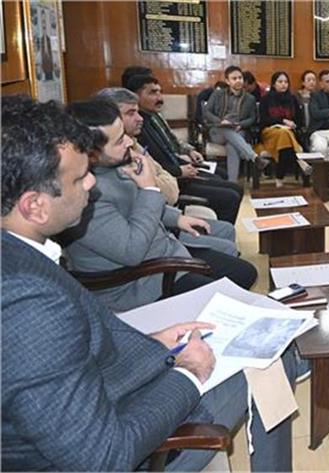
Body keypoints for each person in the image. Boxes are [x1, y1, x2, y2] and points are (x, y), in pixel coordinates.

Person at [1, 96, 294, 472]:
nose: (91, 181)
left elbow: (63, 368)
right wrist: (189, 373)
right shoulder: (26, 301)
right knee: (271, 358)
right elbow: (104, 456)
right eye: (78, 178)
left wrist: (156, 346)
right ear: (34, 206)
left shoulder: (19, 255)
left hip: (102, 391)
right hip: (123, 444)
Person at [63, 99, 257, 312]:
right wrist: (150, 189)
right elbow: (132, 252)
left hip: (165, 255)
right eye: (119, 141)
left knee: (245, 272)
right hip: (141, 283)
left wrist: (177, 218)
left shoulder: (112, 166)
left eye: (124, 135)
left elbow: (136, 207)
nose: (129, 143)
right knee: (235, 293)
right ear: (91, 153)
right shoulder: (83, 196)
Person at [94, 86, 239, 257]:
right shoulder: (116, 162)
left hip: (163, 217)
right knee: (230, 204)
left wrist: (173, 210)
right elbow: (165, 194)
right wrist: (158, 184)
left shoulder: (135, 140)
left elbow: (164, 169)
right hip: (159, 242)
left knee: (227, 223)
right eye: (131, 113)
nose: (139, 118)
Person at [129, 74, 244, 224]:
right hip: (172, 181)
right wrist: (180, 170)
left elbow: (169, 149)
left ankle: (221, 231)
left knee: (233, 186)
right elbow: (155, 166)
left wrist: (188, 158)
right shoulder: (137, 129)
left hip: (177, 171)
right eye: (153, 93)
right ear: (136, 97)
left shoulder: (152, 118)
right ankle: (216, 232)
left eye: (160, 92)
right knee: (231, 196)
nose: (160, 98)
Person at [204, 65, 268, 183]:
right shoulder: (218, 94)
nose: (238, 81)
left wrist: (241, 125)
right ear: (227, 81)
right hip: (218, 131)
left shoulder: (250, 98)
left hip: (238, 130)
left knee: (232, 146)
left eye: (240, 78)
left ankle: (232, 182)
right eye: (234, 78)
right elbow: (207, 112)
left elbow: (252, 118)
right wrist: (220, 121)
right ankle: (254, 157)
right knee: (226, 129)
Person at [257, 71, 311, 187]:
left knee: (284, 134)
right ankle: (298, 159)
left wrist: (293, 124)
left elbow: (299, 120)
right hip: (269, 132)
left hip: (287, 133)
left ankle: (279, 178)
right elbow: (264, 120)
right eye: (280, 82)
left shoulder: (292, 99)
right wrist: (282, 121)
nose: (283, 84)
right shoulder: (266, 99)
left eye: (286, 82)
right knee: (284, 133)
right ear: (274, 84)